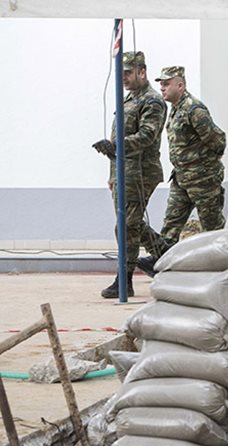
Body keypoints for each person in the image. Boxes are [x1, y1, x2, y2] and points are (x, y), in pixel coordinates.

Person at [136, 66, 227, 276]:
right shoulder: (176, 109)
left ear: (180, 85)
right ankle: (161, 261)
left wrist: (205, 166)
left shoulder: (194, 109)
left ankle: (224, 268)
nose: (162, 88)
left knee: (213, 227)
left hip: (202, 180)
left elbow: (218, 140)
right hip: (181, 179)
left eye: (167, 84)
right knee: (171, 224)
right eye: (161, 84)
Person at [92, 51, 167, 299]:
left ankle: (124, 279)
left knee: (126, 225)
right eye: (121, 73)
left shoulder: (152, 101)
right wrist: (113, 173)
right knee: (130, 224)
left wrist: (116, 147)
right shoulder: (128, 100)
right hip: (124, 173)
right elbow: (118, 142)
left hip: (141, 173)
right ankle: (164, 252)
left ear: (142, 71)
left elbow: (147, 136)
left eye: (128, 72)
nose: (123, 77)